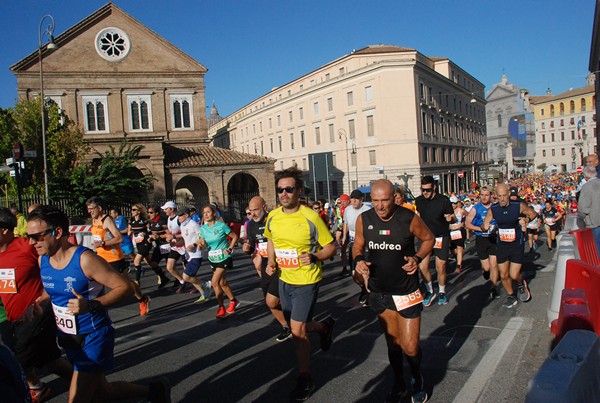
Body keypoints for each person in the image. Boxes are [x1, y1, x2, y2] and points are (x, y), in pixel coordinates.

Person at [26, 205, 171, 402]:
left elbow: (125, 287)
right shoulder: (43, 260)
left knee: (77, 398)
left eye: (36, 236)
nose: (31, 242)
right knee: (103, 392)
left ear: (57, 232)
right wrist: (39, 303)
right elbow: (50, 290)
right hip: (69, 338)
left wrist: (92, 304)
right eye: (29, 236)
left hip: (93, 336)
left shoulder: (84, 260)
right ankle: (155, 392)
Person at [352, 179, 434, 403]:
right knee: (393, 344)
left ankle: (417, 377)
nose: (379, 206)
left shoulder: (407, 218)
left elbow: (429, 239)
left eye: (384, 201)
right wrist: (358, 260)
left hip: (406, 291)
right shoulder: (364, 219)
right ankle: (398, 382)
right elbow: (357, 245)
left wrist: (417, 258)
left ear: (394, 198)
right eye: (375, 201)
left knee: (410, 345)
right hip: (379, 291)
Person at [264, 166, 336, 402]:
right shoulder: (273, 215)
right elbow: (271, 239)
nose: (284, 193)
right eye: (280, 190)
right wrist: (271, 261)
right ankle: (324, 328)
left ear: (298, 191)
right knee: (301, 325)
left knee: (297, 330)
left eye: (288, 189)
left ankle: (305, 378)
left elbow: (330, 247)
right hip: (285, 278)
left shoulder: (310, 217)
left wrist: (315, 256)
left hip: (306, 280)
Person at [0, 207, 73, 402]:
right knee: (50, 361)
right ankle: (88, 383)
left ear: (4, 230)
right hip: (11, 317)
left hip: (37, 312)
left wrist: (46, 295)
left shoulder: (25, 246)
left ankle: (22, 394)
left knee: (17, 361)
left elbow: (54, 257)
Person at [86, 197, 151, 317]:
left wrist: (103, 243)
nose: (89, 211)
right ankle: (95, 308)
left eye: (91, 209)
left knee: (127, 284)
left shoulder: (107, 220)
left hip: (114, 258)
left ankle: (142, 299)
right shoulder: (94, 220)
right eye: (88, 209)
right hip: (100, 257)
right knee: (94, 282)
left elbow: (119, 238)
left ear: (99, 208)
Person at [242, 196, 291, 342]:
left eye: (256, 210)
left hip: (280, 264)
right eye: (250, 211)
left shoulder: (275, 220)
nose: (253, 214)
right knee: (270, 301)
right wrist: (247, 249)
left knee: (272, 300)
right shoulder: (251, 225)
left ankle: (295, 324)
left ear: (264, 207)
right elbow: (252, 246)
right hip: (265, 265)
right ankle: (287, 325)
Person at [481, 183, 538, 308]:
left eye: (504, 196)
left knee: (513, 274)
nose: (501, 199)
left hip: (517, 244)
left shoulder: (518, 206)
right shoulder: (493, 209)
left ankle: (521, 283)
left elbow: (533, 214)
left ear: (509, 195)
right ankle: (511, 295)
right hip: (502, 244)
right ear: (496, 196)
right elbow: (485, 223)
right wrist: (484, 227)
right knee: (504, 275)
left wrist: (526, 220)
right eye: (499, 196)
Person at [414, 175, 455, 306]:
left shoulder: (443, 200)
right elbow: (418, 216)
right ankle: (430, 291)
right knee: (422, 266)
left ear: (434, 188)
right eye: (423, 190)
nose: (425, 192)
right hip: (426, 238)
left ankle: (442, 292)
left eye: (428, 190)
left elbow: (452, 217)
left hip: (441, 236)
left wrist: (450, 219)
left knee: (440, 266)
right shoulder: (419, 201)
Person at [199, 204, 240, 318]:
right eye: (204, 213)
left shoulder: (221, 226)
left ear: (214, 213)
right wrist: (199, 244)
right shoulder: (203, 228)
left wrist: (230, 248)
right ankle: (233, 300)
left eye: (208, 212)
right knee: (222, 283)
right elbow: (202, 241)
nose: (206, 215)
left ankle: (221, 307)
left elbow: (235, 236)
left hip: (224, 257)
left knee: (214, 282)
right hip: (212, 258)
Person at [465, 187, 500, 299]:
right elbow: (467, 224)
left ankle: (493, 288)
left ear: (491, 196)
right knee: (487, 267)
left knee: (494, 265)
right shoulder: (476, 209)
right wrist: (480, 228)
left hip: (493, 239)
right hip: (481, 240)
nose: (484, 197)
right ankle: (485, 271)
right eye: (482, 195)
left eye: (487, 195)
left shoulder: (495, 207)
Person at [174, 207, 212, 303]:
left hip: (196, 254)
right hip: (188, 255)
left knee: (186, 277)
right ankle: (204, 294)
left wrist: (195, 244)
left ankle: (205, 283)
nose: (178, 217)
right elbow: (184, 237)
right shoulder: (182, 225)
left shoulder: (194, 224)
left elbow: (202, 237)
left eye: (180, 215)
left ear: (186, 215)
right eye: (178, 215)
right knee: (192, 277)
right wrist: (175, 240)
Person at [342, 189, 372, 299]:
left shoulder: (367, 210)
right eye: (352, 199)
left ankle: (367, 292)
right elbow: (345, 223)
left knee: (364, 269)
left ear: (361, 200)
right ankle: (364, 288)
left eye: (356, 199)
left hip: (365, 244)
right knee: (354, 272)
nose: (353, 202)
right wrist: (345, 236)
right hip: (352, 242)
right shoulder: (347, 210)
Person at [162, 202, 187, 293]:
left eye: (166, 209)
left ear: (172, 209)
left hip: (184, 245)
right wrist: (168, 236)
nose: (164, 211)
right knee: (170, 267)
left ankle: (198, 286)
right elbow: (170, 231)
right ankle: (182, 282)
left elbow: (185, 232)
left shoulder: (178, 219)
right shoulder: (169, 218)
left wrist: (175, 237)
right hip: (175, 246)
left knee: (187, 270)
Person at [146, 205, 173, 288]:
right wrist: (150, 238)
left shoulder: (162, 221)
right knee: (153, 263)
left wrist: (159, 236)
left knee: (170, 266)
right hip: (158, 246)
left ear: (156, 213)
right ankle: (163, 278)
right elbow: (152, 234)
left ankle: (179, 281)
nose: (149, 214)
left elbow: (169, 234)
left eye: (151, 212)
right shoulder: (150, 222)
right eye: (148, 212)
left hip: (165, 245)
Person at [128, 203, 153, 286]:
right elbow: (128, 231)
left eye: (134, 210)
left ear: (139, 211)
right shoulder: (131, 220)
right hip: (138, 243)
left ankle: (137, 281)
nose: (132, 211)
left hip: (146, 243)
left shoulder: (144, 220)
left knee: (136, 262)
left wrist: (146, 233)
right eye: (132, 210)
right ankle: (162, 275)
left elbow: (151, 230)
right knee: (149, 262)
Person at [578, 165, 600, 255]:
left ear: (585, 175)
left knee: (596, 246)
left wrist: (583, 217)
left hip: (594, 221)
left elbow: (583, 207)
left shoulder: (587, 187)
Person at [448, 196, 468, 274]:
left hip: (459, 231)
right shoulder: (447, 212)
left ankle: (458, 265)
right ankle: (458, 260)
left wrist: (464, 223)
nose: (453, 205)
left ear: (457, 203)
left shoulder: (461, 210)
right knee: (453, 251)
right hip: (451, 232)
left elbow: (469, 215)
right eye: (451, 203)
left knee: (459, 248)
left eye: (455, 203)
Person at [335, 194, 350, 272]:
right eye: (341, 202)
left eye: (344, 201)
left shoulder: (351, 208)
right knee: (342, 249)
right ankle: (344, 267)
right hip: (343, 227)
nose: (342, 203)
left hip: (351, 230)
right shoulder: (341, 208)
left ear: (348, 201)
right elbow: (342, 220)